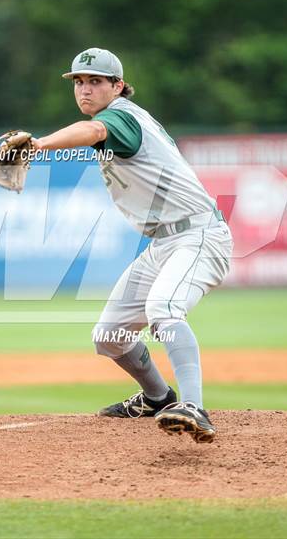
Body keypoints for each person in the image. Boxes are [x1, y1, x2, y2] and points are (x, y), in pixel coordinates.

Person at [32, 48, 233, 444]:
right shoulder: (119, 119)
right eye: (79, 82)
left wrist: (38, 145)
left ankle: (194, 407)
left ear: (118, 86)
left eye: (95, 81)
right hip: (165, 242)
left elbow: (92, 132)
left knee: (164, 308)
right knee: (109, 335)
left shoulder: (120, 116)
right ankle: (159, 397)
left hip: (198, 234)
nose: (85, 89)